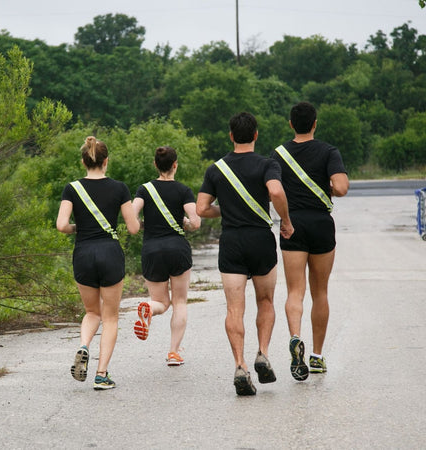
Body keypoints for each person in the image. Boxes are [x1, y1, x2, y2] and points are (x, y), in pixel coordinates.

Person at [196, 112, 294, 396]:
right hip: (261, 239)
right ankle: (262, 353)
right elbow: (275, 191)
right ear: (255, 135)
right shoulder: (267, 164)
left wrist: (225, 209)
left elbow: (201, 208)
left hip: (232, 241)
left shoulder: (216, 170)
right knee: (265, 301)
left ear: (230, 136)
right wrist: (285, 221)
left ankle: (240, 365)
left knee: (234, 308)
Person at [271, 101, 349, 381]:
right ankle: (316, 356)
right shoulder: (329, 152)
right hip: (320, 224)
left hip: (293, 224)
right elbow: (340, 187)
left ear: (291, 124)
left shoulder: (278, 155)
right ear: (315, 123)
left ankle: (295, 337)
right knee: (321, 292)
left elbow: (271, 191)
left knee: (295, 291)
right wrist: (322, 187)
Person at [56, 136, 140, 390]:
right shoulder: (120, 188)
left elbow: (61, 225)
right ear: (106, 162)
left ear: (83, 161)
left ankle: (83, 346)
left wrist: (77, 228)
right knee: (111, 317)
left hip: (83, 253)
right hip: (110, 253)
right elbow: (133, 228)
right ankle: (101, 375)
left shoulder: (72, 189)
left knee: (92, 312)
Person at [132, 146, 201, 366]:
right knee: (179, 302)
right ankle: (173, 352)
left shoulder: (144, 190)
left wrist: (145, 224)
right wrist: (186, 224)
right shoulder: (183, 190)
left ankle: (149, 308)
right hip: (177, 249)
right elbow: (196, 222)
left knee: (161, 301)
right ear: (175, 165)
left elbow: (131, 219)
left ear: (155, 164)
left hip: (152, 250)